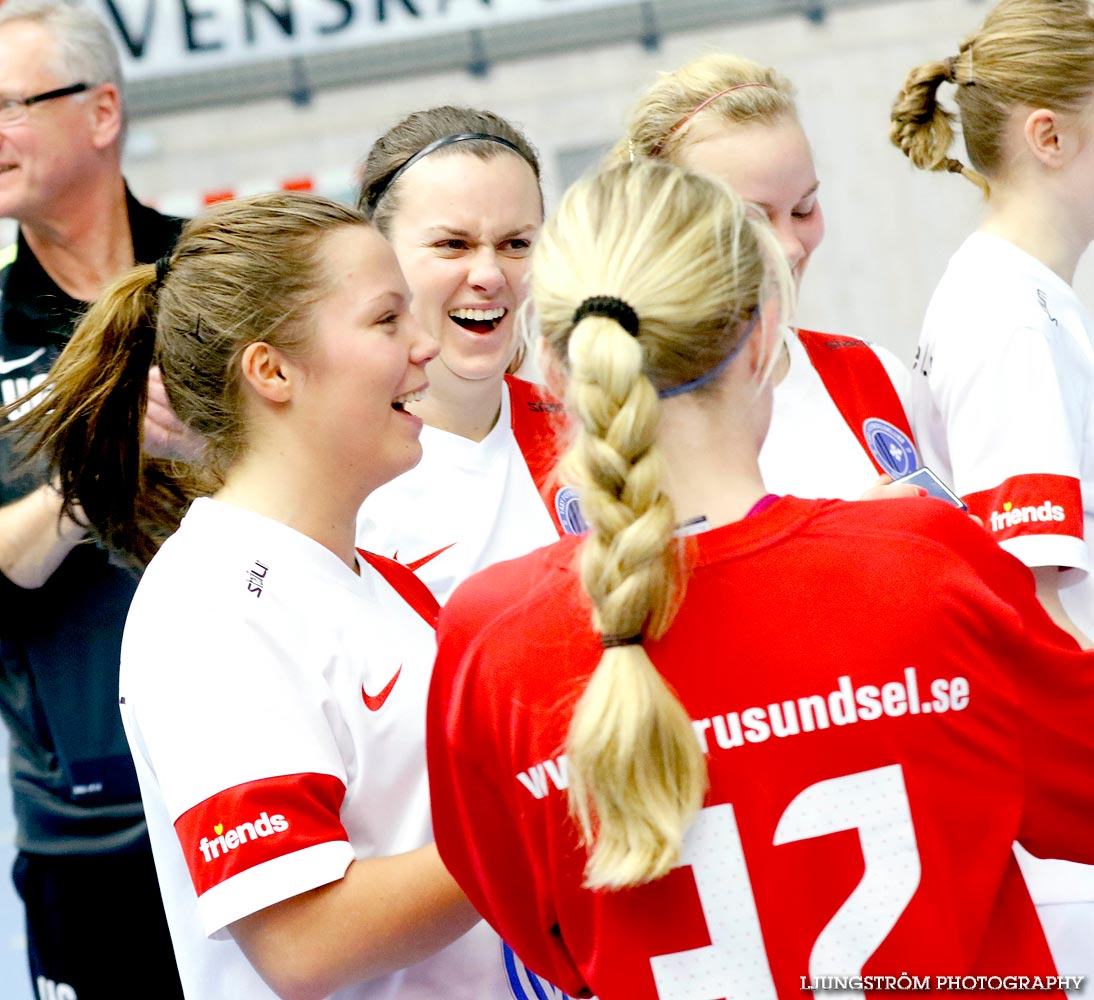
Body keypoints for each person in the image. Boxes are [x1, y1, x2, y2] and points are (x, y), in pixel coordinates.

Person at [425, 159, 1094, 999]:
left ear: (555, 371)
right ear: (765, 335)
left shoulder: (493, 643)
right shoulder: (925, 568)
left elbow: (547, 938)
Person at [8, 190, 532, 999]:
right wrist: (551, 817)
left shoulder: (373, 577)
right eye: (387, 320)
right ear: (272, 371)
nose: (424, 345)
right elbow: (305, 941)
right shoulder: (211, 610)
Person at [890, 0, 1094, 975]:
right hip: (1068, 832)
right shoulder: (1007, 317)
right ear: (1047, 135)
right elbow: (1031, 606)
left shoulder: (1025, 298)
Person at [0, 1, 187, 996]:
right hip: (92, 839)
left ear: (101, 110)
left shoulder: (217, 281)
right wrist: (91, 472)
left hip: (278, 778)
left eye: (8, 105)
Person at [612, 53, 921, 500]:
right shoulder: (620, 418)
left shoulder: (870, 375)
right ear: (662, 224)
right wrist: (859, 541)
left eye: (804, 209)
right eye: (752, 219)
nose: (790, 246)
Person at [354, 106, 577, 606]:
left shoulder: (597, 435)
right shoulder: (342, 478)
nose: (490, 275)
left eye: (516, 243)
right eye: (453, 244)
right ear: (380, 255)